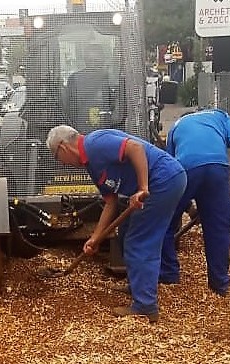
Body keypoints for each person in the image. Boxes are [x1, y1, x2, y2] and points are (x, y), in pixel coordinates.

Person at [46, 125, 187, 322]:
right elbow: (110, 203)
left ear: (63, 148)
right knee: (126, 232)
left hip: (163, 181)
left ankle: (145, 306)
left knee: (140, 242)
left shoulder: (95, 144)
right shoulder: (92, 165)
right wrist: (94, 238)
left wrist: (142, 188)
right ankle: (137, 285)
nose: (63, 164)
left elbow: (135, 148)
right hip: (160, 183)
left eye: (58, 158)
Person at [162, 109, 230, 296]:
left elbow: (171, 171)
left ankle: (169, 273)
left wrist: (185, 207)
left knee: (165, 223)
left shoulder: (175, 127)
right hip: (218, 168)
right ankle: (220, 284)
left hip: (186, 170)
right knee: (218, 228)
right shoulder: (220, 115)